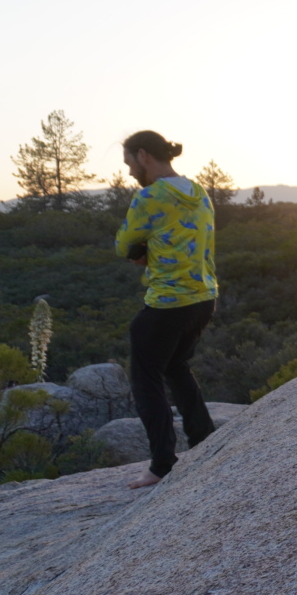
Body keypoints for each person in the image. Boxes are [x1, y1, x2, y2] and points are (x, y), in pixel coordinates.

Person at [114, 130, 218, 489]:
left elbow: (123, 244)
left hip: (167, 304)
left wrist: (142, 250)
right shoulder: (198, 191)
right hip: (204, 298)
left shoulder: (150, 196)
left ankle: (162, 464)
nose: (130, 172)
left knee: (147, 380)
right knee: (176, 365)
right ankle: (205, 440)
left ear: (143, 155)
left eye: (129, 163)